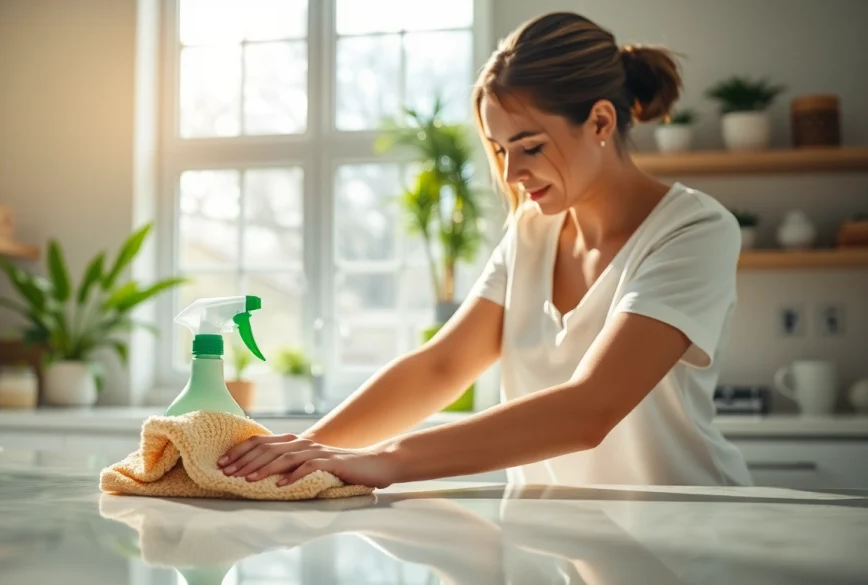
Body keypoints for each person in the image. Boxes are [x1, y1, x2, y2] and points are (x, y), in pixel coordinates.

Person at [217, 11, 753, 488]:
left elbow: (589, 410)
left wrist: (386, 459)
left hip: (687, 536)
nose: (514, 174)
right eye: (500, 150)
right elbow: (441, 367)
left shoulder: (694, 230)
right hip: (554, 548)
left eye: (531, 146)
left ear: (600, 122)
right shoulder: (532, 233)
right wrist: (296, 459)